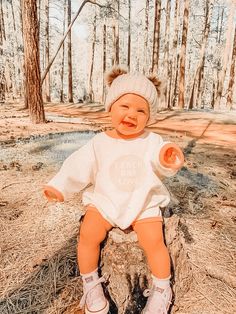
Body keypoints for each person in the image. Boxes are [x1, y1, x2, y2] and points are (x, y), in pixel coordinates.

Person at [43, 67, 184, 314]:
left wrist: (166, 156)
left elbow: (161, 160)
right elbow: (79, 165)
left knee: (155, 242)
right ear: (110, 107)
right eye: (125, 106)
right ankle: (90, 283)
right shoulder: (100, 142)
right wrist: (60, 185)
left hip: (142, 202)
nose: (132, 115)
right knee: (88, 234)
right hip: (105, 200)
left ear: (149, 117)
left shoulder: (151, 141)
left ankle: (162, 288)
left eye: (141, 111)